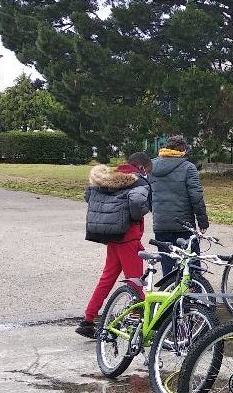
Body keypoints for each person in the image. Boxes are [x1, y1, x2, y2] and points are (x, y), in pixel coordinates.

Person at [76, 153, 153, 338]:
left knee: (107, 278)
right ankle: (137, 320)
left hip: (113, 236)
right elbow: (136, 203)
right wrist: (137, 214)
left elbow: (89, 194)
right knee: (135, 281)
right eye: (148, 171)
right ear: (142, 168)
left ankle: (88, 319)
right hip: (128, 237)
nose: (148, 175)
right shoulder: (138, 181)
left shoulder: (109, 176)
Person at [149, 135, 209, 275]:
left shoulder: (152, 166)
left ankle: (170, 293)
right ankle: (192, 294)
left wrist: (157, 213)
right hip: (184, 225)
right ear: (183, 149)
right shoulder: (188, 168)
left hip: (161, 225)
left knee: (168, 266)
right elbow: (196, 197)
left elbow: (149, 195)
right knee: (191, 265)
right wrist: (202, 222)